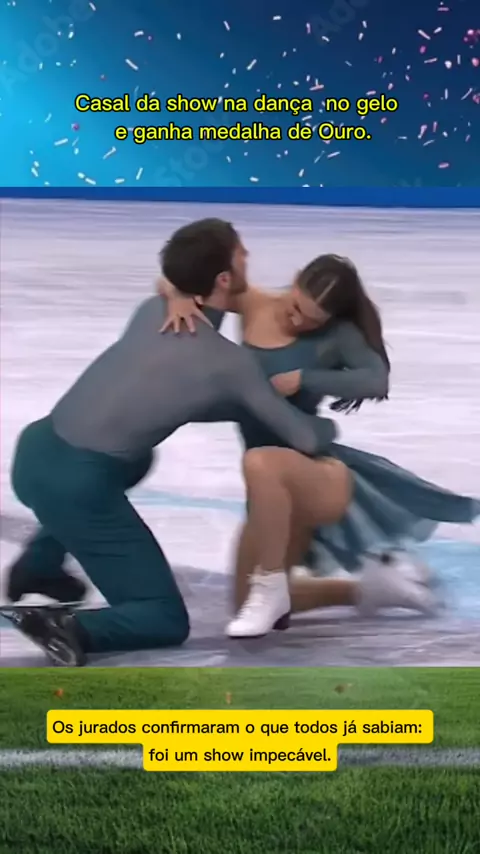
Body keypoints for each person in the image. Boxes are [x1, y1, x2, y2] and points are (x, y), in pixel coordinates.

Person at [5, 218, 342, 666]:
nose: (248, 258)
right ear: (224, 279)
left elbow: (169, 292)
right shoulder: (229, 364)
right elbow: (302, 436)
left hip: (35, 451)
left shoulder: (154, 309)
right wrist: (322, 413)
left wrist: (178, 294)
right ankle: (65, 627)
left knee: (135, 460)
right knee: (162, 618)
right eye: (241, 253)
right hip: (76, 486)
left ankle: (37, 568)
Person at [160, 253, 480, 638]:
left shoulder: (336, 335)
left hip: (312, 475)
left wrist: (305, 378)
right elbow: (178, 279)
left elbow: (375, 380)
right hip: (268, 489)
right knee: (242, 602)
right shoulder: (254, 303)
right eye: (296, 308)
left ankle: (272, 584)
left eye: (312, 320)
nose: (298, 322)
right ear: (294, 280)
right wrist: (178, 297)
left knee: (262, 463)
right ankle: (373, 589)